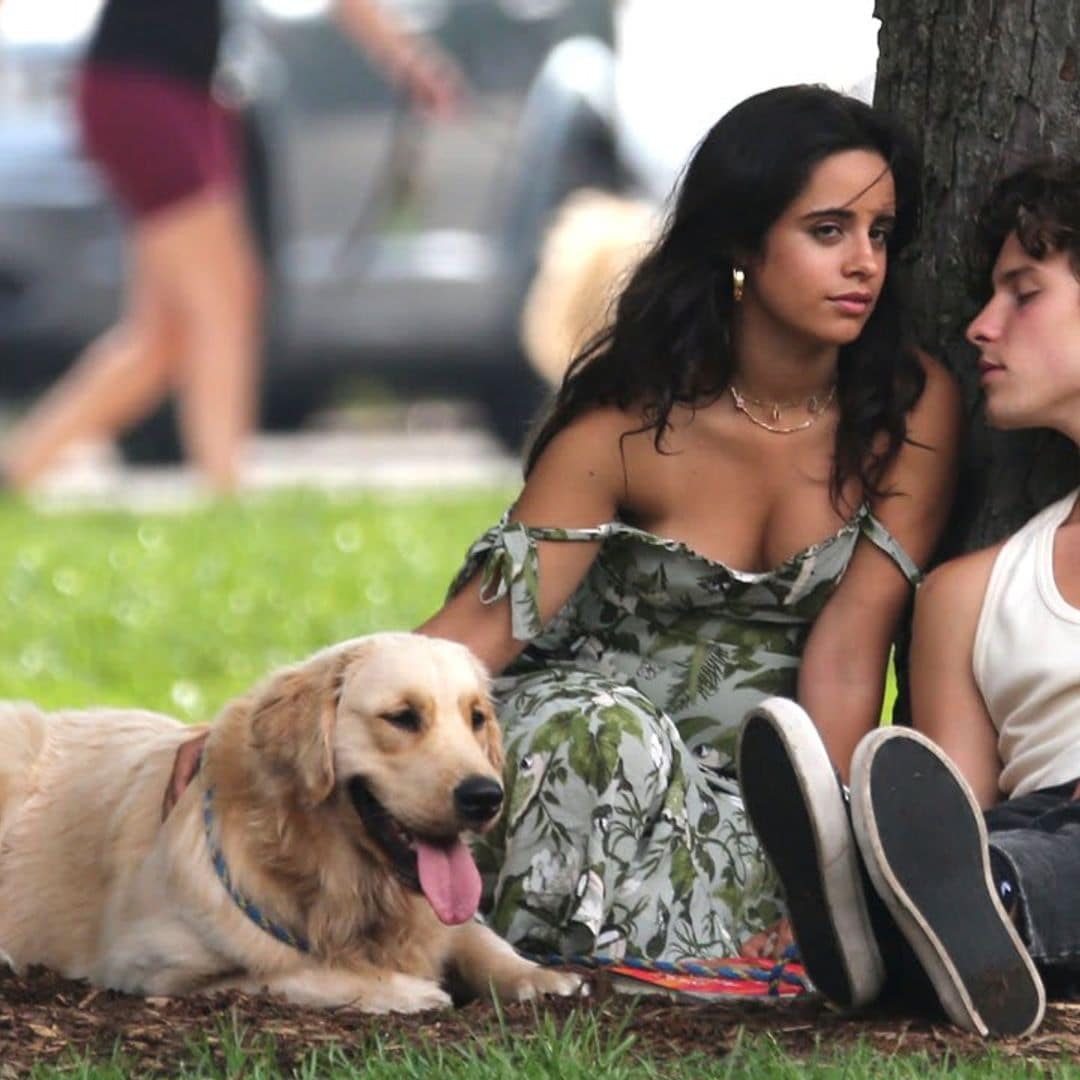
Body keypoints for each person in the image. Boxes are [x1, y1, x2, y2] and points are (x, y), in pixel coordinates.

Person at [416, 83, 960, 964]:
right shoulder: (628, 422)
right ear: (743, 240)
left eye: (881, 234)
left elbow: (849, 651)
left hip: (749, 795)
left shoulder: (909, 407)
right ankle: (537, 963)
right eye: (827, 232)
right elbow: (477, 632)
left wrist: (828, 869)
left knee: (765, 904)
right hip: (575, 749)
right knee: (604, 731)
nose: (864, 262)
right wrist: (284, 733)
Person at [737, 158, 1080, 1038]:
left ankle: (904, 924)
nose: (980, 326)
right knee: (981, 863)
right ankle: (908, 919)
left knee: (1011, 871)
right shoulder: (971, 592)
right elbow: (944, 814)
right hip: (1032, 843)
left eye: (1023, 294)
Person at [0, 0, 461, 495]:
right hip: (144, 91)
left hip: (175, 94)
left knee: (162, 336)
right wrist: (409, 60)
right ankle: (224, 488)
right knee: (224, 299)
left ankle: (18, 470)